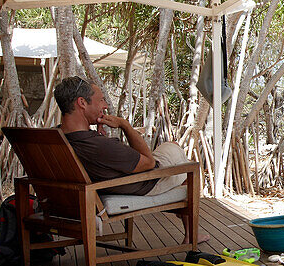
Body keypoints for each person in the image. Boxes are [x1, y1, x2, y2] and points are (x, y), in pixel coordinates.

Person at [53, 75, 197, 242]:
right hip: (146, 183)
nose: (105, 106)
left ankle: (190, 233)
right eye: (100, 100)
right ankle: (191, 236)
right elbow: (149, 163)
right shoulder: (98, 146)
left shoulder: (56, 139)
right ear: (82, 103)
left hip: (104, 185)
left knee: (173, 150)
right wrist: (125, 125)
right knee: (187, 165)